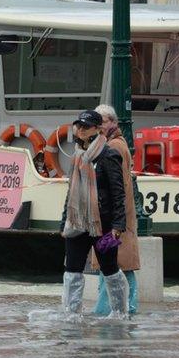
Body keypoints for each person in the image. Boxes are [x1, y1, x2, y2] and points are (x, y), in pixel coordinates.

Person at [60, 109, 128, 319]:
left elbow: (118, 192)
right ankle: (72, 314)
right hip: (78, 222)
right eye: (79, 125)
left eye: (85, 126)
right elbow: (71, 191)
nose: (80, 129)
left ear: (97, 129)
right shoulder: (77, 156)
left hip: (104, 224)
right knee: (72, 269)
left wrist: (118, 225)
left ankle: (119, 313)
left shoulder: (109, 155)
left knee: (109, 269)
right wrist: (64, 221)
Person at [90, 104, 140, 316]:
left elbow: (116, 188)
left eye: (101, 122)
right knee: (116, 265)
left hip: (114, 221)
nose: (98, 127)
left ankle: (105, 312)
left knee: (111, 266)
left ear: (113, 122)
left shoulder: (113, 148)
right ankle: (123, 309)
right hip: (119, 220)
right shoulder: (118, 144)